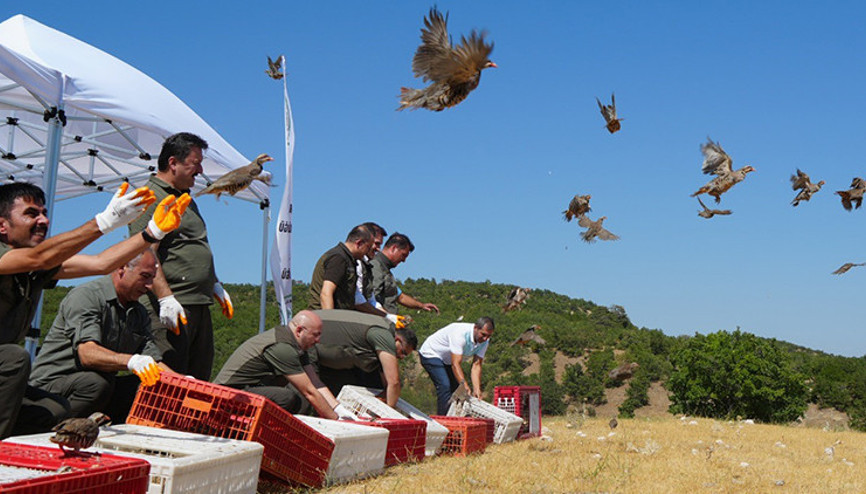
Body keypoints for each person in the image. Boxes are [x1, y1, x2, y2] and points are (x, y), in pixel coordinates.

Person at [0, 181, 188, 438]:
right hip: (11, 362)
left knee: (56, 411)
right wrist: (103, 222)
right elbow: (41, 257)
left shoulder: (34, 267)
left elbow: (101, 263)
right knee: (14, 357)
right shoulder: (23, 258)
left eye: (44, 213)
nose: (43, 220)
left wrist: (151, 233)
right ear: (2, 225)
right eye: (31, 214)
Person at [129, 132, 233, 380]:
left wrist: (214, 283)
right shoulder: (150, 196)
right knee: (171, 382)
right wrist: (165, 298)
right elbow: (144, 251)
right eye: (195, 163)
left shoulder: (185, 198)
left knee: (198, 379)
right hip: (171, 305)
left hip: (198, 303)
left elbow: (194, 244)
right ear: (173, 162)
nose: (200, 170)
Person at [28, 250, 168, 423]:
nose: (149, 285)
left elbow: (153, 361)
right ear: (122, 268)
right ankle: (53, 428)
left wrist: (183, 383)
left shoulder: (138, 312)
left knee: (146, 387)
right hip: (50, 388)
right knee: (96, 383)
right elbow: (87, 355)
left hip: (97, 387)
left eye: (152, 278)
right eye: (145, 276)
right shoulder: (87, 296)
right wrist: (131, 361)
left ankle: (109, 430)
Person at [213, 310, 354, 420]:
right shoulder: (282, 347)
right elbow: (309, 392)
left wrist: (339, 410)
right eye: (315, 335)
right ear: (299, 331)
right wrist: (335, 420)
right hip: (228, 393)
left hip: (251, 389)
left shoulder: (299, 346)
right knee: (286, 397)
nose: (318, 340)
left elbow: (315, 383)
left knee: (299, 400)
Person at [314, 309, 417, 407]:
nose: (401, 357)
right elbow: (394, 382)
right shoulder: (384, 335)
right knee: (311, 395)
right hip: (311, 337)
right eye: (403, 352)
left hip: (328, 360)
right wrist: (390, 411)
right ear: (397, 340)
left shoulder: (381, 343)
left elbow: (388, 385)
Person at [418, 317, 495, 415]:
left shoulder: (485, 341)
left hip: (447, 360)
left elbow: (476, 365)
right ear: (476, 328)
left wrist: (477, 389)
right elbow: (455, 364)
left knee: (457, 390)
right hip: (431, 353)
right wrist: (464, 385)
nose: (485, 339)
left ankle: (458, 416)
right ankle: (443, 419)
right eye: (483, 334)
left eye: (488, 336)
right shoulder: (460, 334)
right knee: (445, 385)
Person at [308, 224, 377, 311]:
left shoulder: (349, 260)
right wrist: (330, 318)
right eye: (368, 247)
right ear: (359, 243)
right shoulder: (339, 258)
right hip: (322, 315)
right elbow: (326, 293)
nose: (368, 252)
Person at [370, 232, 440, 315]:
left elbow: (401, 297)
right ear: (394, 248)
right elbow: (371, 300)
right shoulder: (376, 266)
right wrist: (388, 316)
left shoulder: (385, 270)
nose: (403, 260)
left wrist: (422, 305)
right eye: (403, 255)